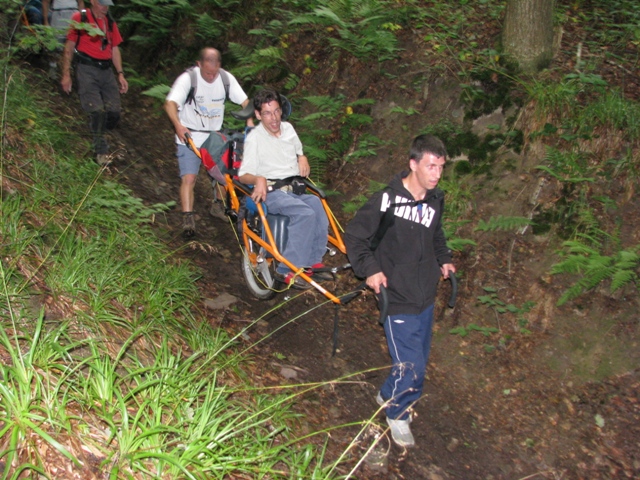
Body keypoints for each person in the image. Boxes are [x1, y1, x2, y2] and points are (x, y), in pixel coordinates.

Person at [344, 134, 456, 448]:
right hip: (397, 295)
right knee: (413, 366)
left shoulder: (436, 199)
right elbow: (354, 236)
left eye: (441, 167)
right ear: (413, 164)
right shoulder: (387, 199)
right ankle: (398, 414)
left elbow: (436, 234)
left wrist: (444, 259)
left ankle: (387, 393)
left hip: (424, 294)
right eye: (431, 166)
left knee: (417, 358)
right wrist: (370, 269)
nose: (436, 174)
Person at [237, 89, 330, 289]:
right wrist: (258, 178)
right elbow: (243, 175)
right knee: (304, 213)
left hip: (292, 189)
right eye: (268, 113)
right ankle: (286, 269)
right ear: (258, 115)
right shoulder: (255, 138)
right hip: (271, 192)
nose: (274, 118)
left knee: (317, 204)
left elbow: (298, 149)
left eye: (277, 111)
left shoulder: (288, 129)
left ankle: (313, 261)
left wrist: (302, 157)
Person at [165, 47, 251, 239]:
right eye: (207, 73)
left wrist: (250, 123)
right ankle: (188, 218)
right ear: (199, 65)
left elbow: (246, 102)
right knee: (189, 178)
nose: (211, 77)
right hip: (188, 136)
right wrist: (178, 125)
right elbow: (170, 104)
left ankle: (218, 206)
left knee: (224, 174)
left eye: (214, 72)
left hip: (213, 136)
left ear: (219, 66)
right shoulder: (188, 79)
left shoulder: (226, 79)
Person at [60, 0, 127, 166]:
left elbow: (114, 49)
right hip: (86, 69)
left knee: (114, 112)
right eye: (102, 4)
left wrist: (120, 74)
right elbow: (69, 47)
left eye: (107, 5)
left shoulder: (110, 23)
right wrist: (66, 74)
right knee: (96, 111)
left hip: (106, 71)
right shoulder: (80, 18)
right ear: (93, 2)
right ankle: (100, 150)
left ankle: (98, 130)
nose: (105, 8)